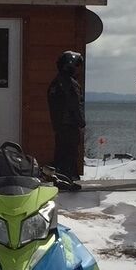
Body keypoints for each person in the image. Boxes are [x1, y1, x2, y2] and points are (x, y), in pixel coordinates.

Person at [47, 50, 85, 188]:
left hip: (60, 124)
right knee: (70, 152)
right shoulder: (69, 83)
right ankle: (67, 179)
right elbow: (74, 104)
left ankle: (62, 178)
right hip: (69, 123)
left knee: (61, 151)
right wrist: (81, 121)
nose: (78, 70)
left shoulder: (56, 82)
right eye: (77, 66)